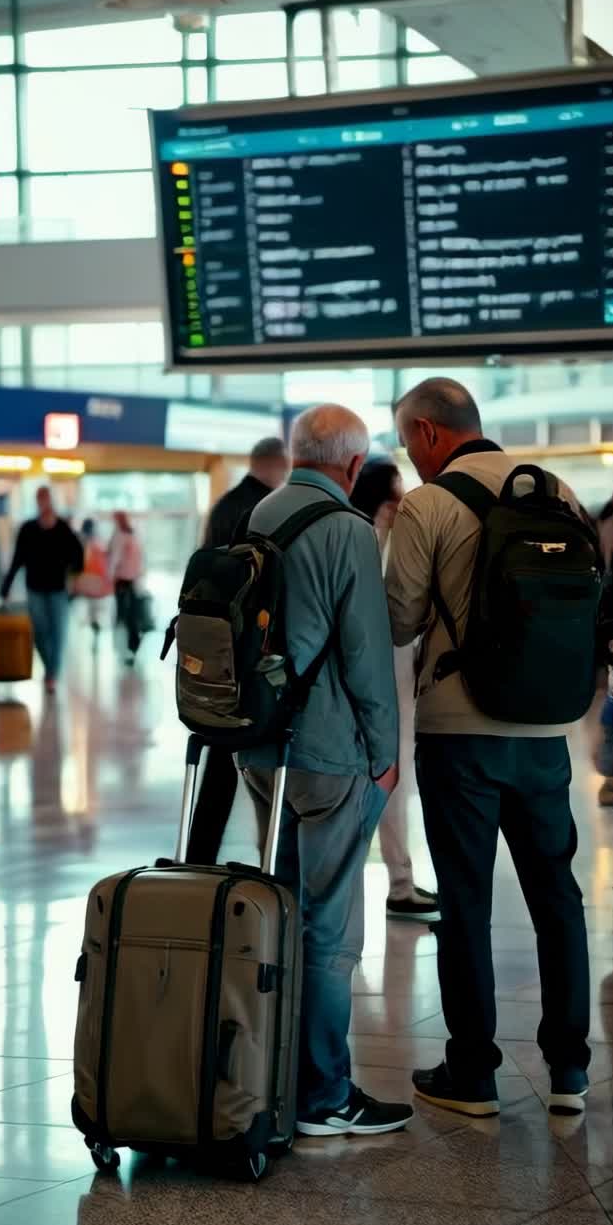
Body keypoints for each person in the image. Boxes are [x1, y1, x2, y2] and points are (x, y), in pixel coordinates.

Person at [385, 377, 591, 1118]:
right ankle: (570, 1070)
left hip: (460, 730)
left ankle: (473, 1072)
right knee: (557, 897)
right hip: (544, 731)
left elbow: (400, 619)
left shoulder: (430, 503)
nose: (409, 457)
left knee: (466, 901)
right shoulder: (557, 491)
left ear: (431, 433)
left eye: (408, 441)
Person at [240, 405, 413, 1137]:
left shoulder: (259, 516)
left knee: (280, 913)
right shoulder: (345, 530)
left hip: (260, 747)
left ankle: (270, 1077)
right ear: (351, 466)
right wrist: (385, 756)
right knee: (331, 932)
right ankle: (323, 1096)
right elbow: (369, 661)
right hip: (330, 754)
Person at [187, 436, 290, 865]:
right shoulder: (266, 511)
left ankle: (199, 856)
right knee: (250, 758)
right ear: (278, 465)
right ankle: (270, 862)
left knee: (218, 754)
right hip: (247, 650)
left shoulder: (224, 504)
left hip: (211, 647)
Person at [351, 459, 439, 922]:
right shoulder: (371, 539)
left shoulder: (362, 536)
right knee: (392, 779)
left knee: (384, 781)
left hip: (375, 680)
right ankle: (399, 883)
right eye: (397, 492)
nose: (403, 500)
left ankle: (396, 881)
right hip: (389, 681)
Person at [1, 486, 83, 693]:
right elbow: (18, 558)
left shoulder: (63, 528)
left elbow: (78, 555)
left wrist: (73, 576)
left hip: (58, 589)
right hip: (35, 588)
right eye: (40, 499)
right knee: (39, 632)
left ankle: (52, 675)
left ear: (51, 500)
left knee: (58, 633)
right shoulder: (27, 529)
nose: (43, 503)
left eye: (46, 499)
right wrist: (7, 585)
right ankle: (50, 668)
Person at [109, 511, 144, 667]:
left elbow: (114, 559)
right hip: (133, 580)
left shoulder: (119, 536)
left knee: (121, 615)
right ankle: (133, 645)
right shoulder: (134, 535)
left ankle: (123, 647)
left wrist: (110, 577)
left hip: (122, 580)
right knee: (132, 615)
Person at [79, 519, 111, 642]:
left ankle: (94, 631)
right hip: (98, 586)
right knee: (95, 613)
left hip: (88, 586)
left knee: (92, 613)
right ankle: (94, 631)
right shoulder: (99, 544)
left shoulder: (84, 544)